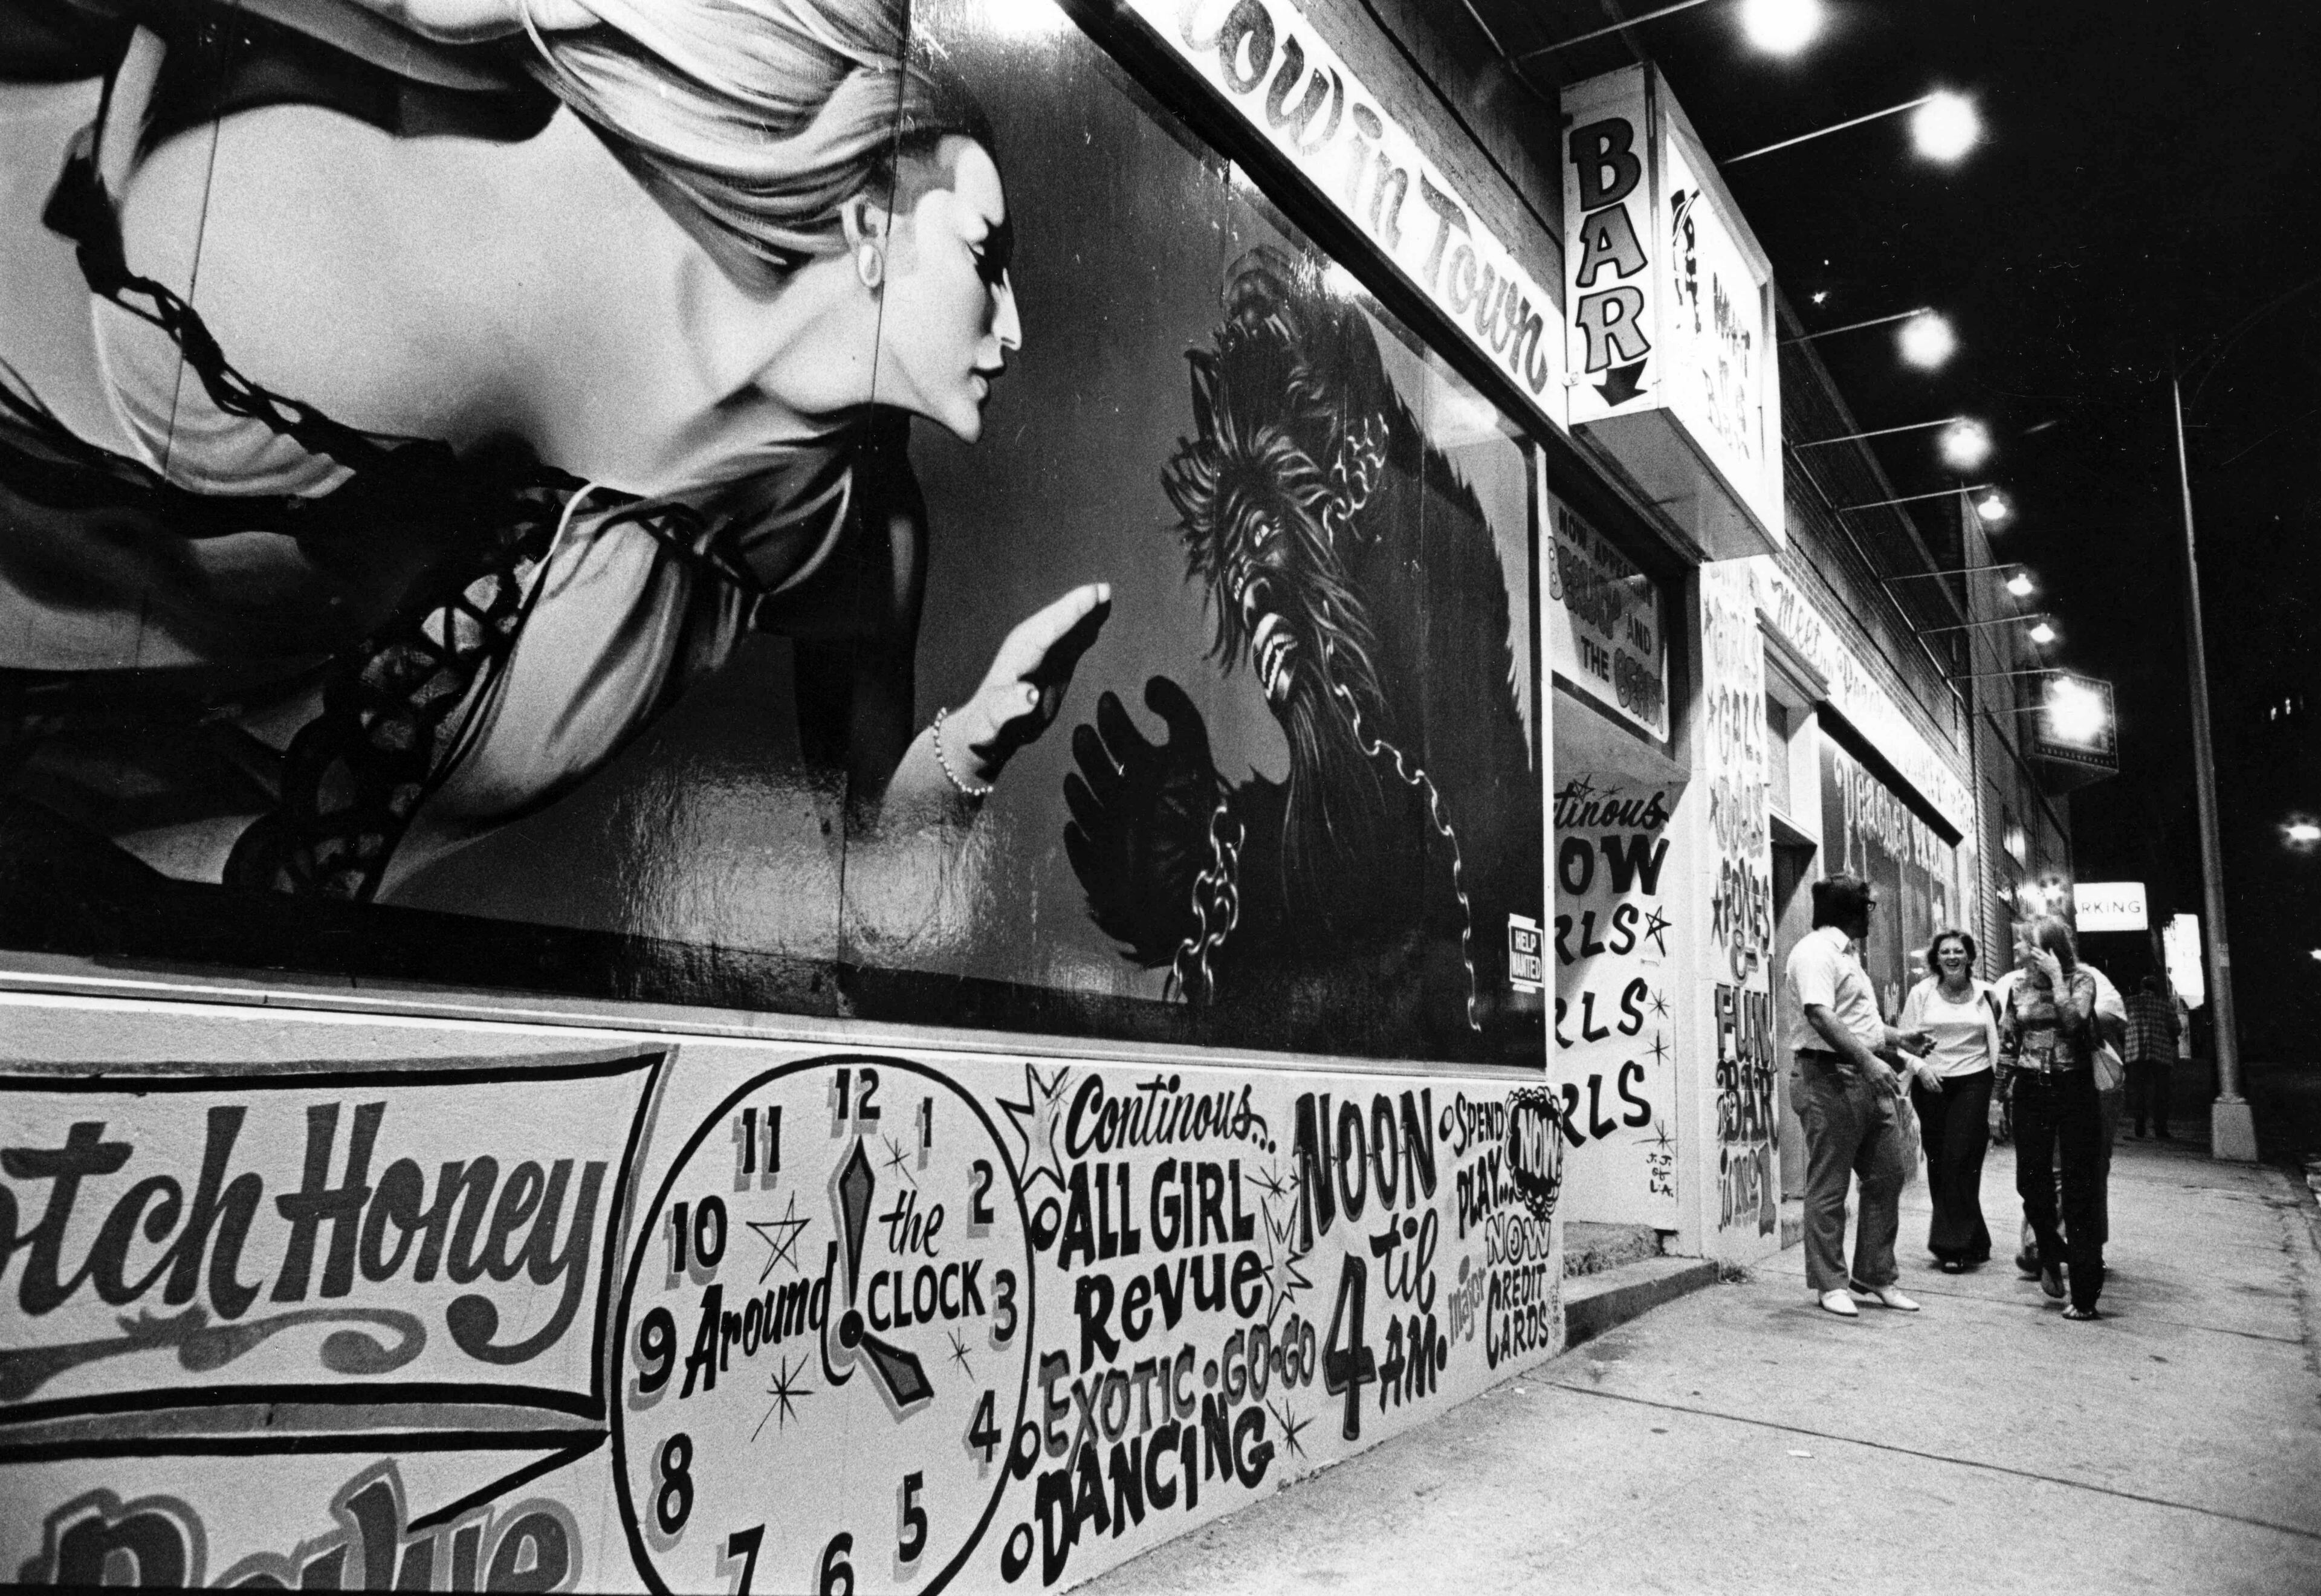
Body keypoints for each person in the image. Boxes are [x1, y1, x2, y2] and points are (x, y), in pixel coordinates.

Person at [0, 0, 1109, 904]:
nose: (1013, 328)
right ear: (870, 232)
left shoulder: (838, 534)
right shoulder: (637, 106)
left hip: (123, 769)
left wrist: (971, 747)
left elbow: (872, 880)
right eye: (985, 257)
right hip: (60, 228)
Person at [1782, 873, 1933, 1319]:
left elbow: (1858, 1023)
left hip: (1864, 1077)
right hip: (1828, 1076)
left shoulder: (1847, 955)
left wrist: (1899, 1038)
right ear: (1850, 909)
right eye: (1868, 906)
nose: (1872, 914)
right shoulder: (1815, 952)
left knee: (1888, 1174)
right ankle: (1830, 1283)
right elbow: (1820, 1015)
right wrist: (1869, 1061)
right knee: (1830, 1185)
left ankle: (1875, 1274)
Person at [1998, 915, 2106, 1320]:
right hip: (2031, 1088)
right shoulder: (2018, 986)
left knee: (2079, 1187)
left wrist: (2059, 979)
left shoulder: (2082, 980)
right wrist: (1997, 1098)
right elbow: (2009, 1043)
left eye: (2026, 942)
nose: (2018, 949)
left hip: (2074, 1086)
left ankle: (2085, 1293)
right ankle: (2049, 1250)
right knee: (2030, 1180)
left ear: (2048, 949)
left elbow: (2075, 1022)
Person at [1899, 929, 2001, 1272]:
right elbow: (1903, 1042)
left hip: (1975, 1081)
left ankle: (1951, 1247)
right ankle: (1976, 1239)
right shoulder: (1922, 993)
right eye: (1945, 952)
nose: (1952, 957)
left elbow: (1999, 1044)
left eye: (1959, 951)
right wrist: (1920, 1068)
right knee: (1941, 1162)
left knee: (1960, 1158)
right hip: (1932, 1084)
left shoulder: (1986, 994)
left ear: (1969, 956)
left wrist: (1999, 1095)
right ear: (1936, 958)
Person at [2125, 973, 2181, 1139]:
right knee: (2161, 1092)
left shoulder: (2130, 1003)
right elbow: (2177, 1028)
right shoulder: (2165, 1005)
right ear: (2157, 990)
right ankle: (2160, 1128)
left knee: (2138, 1090)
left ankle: (2140, 1126)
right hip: (2160, 1053)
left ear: (2142, 987)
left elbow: (2120, 1024)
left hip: (2135, 1052)